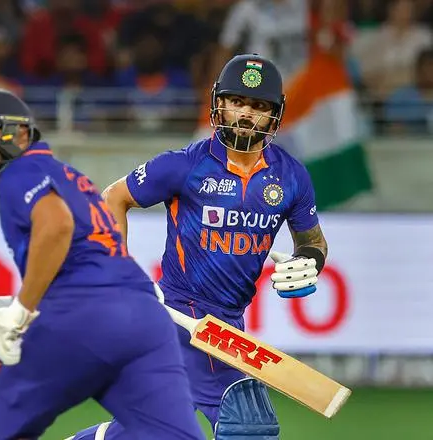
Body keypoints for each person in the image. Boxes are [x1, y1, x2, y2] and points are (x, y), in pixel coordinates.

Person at [72, 53, 329, 439]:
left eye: (258, 106)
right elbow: (113, 197)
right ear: (219, 104)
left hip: (229, 321)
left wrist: (309, 261)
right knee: (249, 426)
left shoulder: (290, 176)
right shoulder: (185, 165)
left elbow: (312, 241)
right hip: (184, 316)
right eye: (237, 101)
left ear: (274, 115)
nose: (246, 113)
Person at [0, 88, 206, 440]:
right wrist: (4, 305)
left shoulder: (21, 172)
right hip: (145, 321)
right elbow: (87, 263)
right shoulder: (67, 175)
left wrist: (17, 314)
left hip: (82, 321)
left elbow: (57, 227)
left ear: (19, 133)